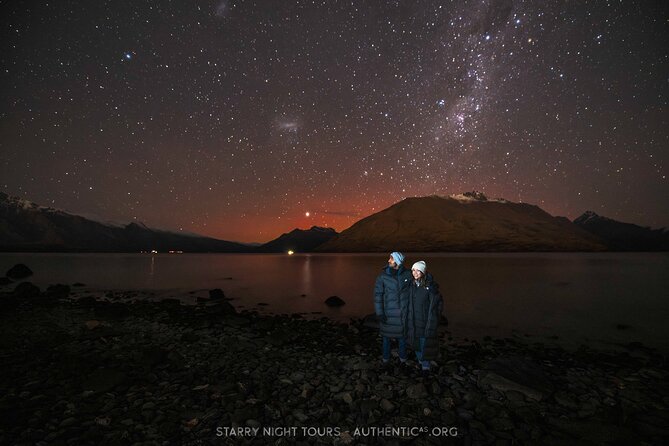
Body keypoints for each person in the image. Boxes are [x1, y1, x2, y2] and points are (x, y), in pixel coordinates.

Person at [374, 251, 412, 366]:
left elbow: (415, 290)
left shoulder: (408, 274)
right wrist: (380, 313)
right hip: (388, 314)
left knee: (402, 338)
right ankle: (386, 360)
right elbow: (378, 295)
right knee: (386, 338)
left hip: (403, 314)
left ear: (398, 261)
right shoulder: (383, 276)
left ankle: (403, 360)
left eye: (391, 259)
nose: (388, 260)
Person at [406, 260, 444, 376]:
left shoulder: (430, 286)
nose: (415, 273)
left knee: (424, 345)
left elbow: (439, 304)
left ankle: (426, 368)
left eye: (418, 270)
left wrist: (435, 318)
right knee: (416, 344)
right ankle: (421, 362)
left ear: (423, 272)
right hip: (413, 321)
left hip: (425, 322)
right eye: (413, 270)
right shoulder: (412, 285)